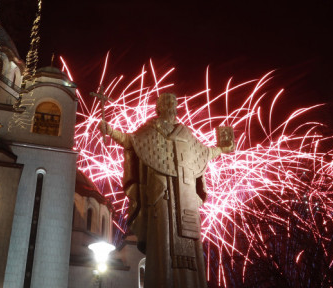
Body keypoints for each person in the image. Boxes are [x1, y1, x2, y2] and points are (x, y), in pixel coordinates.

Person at [99, 92, 235, 288]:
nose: (171, 104)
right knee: (162, 240)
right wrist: (111, 132)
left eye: (174, 101)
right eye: (167, 102)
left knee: (190, 242)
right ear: (159, 107)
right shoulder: (150, 130)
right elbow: (132, 141)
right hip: (160, 194)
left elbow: (204, 153)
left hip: (186, 196)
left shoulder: (185, 133)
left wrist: (222, 149)